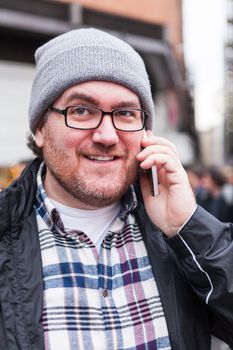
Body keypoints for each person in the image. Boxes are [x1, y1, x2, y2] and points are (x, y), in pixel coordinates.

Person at [0, 28, 232, 350]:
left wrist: (188, 228)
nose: (107, 135)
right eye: (81, 110)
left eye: (124, 113)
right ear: (40, 128)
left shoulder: (181, 239)